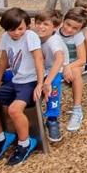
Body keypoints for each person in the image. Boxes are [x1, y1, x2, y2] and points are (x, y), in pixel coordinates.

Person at [0, 8, 44, 166]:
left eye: (20, 28)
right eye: (12, 29)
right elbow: (3, 59)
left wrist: (40, 83)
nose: (16, 33)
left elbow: (38, 59)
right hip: (16, 80)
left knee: (14, 109)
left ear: (27, 25)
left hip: (30, 81)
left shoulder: (30, 36)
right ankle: (1, 138)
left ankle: (25, 143)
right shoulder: (6, 37)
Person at [31, 10, 67, 143]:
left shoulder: (53, 40)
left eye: (46, 24)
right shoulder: (36, 37)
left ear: (55, 27)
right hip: (43, 68)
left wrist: (48, 81)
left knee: (53, 86)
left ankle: (52, 119)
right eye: (38, 23)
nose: (41, 27)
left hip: (56, 69)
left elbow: (59, 59)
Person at [55, 7, 87, 132]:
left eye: (75, 28)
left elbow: (82, 59)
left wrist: (68, 67)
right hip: (58, 64)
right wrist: (63, 67)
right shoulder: (55, 33)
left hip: (74, 63)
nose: (69, 29)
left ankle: (77, 109)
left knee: (76, 73)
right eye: (68, 24)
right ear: (63, 20)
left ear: (80, 29)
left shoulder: (77, 37)